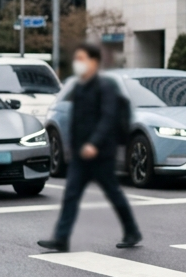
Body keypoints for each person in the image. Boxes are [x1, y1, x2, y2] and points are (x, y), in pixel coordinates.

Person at [37, 43, 141, 252]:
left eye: (82, 59)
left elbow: (108, 118)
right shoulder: (80, 87)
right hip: (80, 153)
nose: (78, 63)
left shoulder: (105, 86)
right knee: (71, 195)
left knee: (113, 192)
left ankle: (132, 231)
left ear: (94, 62)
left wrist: (94, 143)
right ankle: (61, 238)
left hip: (100, 153)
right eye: (77, 59)